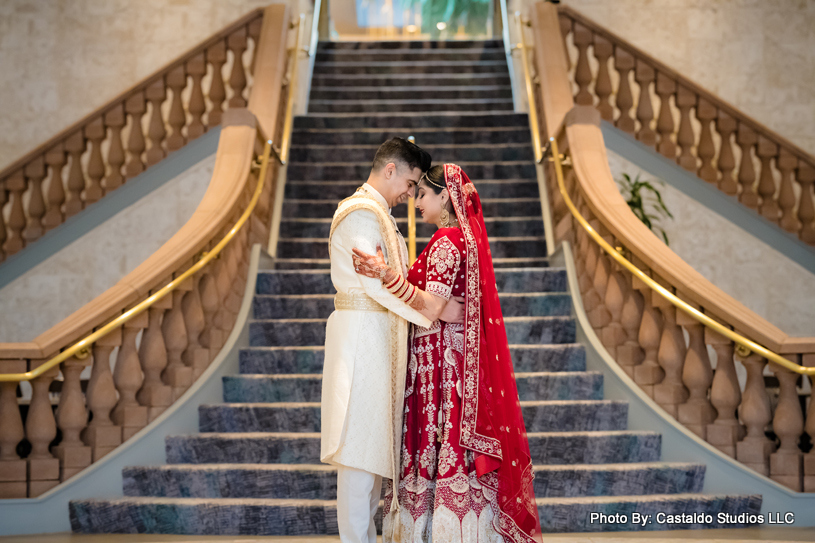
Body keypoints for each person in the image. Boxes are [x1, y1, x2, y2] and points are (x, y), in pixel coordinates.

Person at [352, 164, 543, 542]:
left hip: (440, 363)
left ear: (445, 197)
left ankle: (441, 529)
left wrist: (385, 275)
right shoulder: (462, 240)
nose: (417, 202)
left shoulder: (446, 241)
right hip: (446, 357)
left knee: (443, 440)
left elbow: (432, 306)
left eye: (423, 194)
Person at [320, 139, 465, 543]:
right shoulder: (361, 214)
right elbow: (375, 283)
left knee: (371, 456)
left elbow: (390, 279)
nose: (411, 194)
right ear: (390, 170)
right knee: (358, 456)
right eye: (411, 182)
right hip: (362, 342)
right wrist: (434, 309)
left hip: (377, 341)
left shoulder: (379, 214)